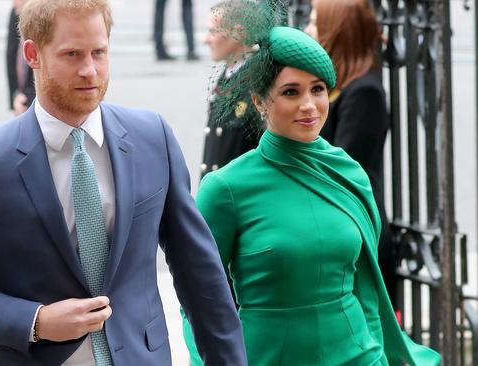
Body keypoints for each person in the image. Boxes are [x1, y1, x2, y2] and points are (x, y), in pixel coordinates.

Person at [0, 1, 247, 365]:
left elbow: (201, 275)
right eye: (72, 54)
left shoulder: (153, 138)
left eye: (99, 52)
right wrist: (35, 322)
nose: (90, 70)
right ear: (32, 54)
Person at [182, 21, 441, 366]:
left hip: (357, 357)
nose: (309, 105)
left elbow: (367, 288)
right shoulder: (226, 188)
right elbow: (197, 301)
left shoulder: (348, 173)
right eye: (291, 92)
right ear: (260, 101)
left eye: (317, 90)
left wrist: (379, 355)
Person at [305, 0, 399, 311]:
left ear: (336, 31)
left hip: (357, 236)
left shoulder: (364, 92)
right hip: (333, 230)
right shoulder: (335, 86)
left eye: (316, 21)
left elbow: (340, 168)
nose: (307, 29)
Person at [199, 0, 266, 179]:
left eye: (213, 31)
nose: (205, 40)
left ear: (238, 33)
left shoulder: (257, 83)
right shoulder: (228, 75)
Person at [6, 0, 35, 115]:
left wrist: (28, 99)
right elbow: (11, 56)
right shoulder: (15, 12)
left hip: (36, 100)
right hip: (21, 100)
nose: (13, 3)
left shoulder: (48, 13)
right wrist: (15, 95)